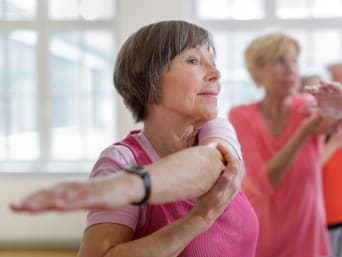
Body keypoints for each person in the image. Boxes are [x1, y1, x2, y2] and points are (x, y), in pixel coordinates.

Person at [11, 20, 258, 257]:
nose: (216, 73)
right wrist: (198, 219)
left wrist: (133, 185)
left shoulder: (216, 130)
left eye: (213, 62)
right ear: (149, 79)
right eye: (194, 60)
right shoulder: (120, 162)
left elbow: (211, 161)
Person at [228, 32, 334, 257]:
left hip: (307, 238)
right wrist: (303, 133)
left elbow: (332, 117)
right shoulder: (241, 116)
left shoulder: (307, 106)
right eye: (279, 61)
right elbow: (265, 182)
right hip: (261, 238)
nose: (291, 69)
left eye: (294, 61)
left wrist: (338, 105)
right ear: (256, 72)